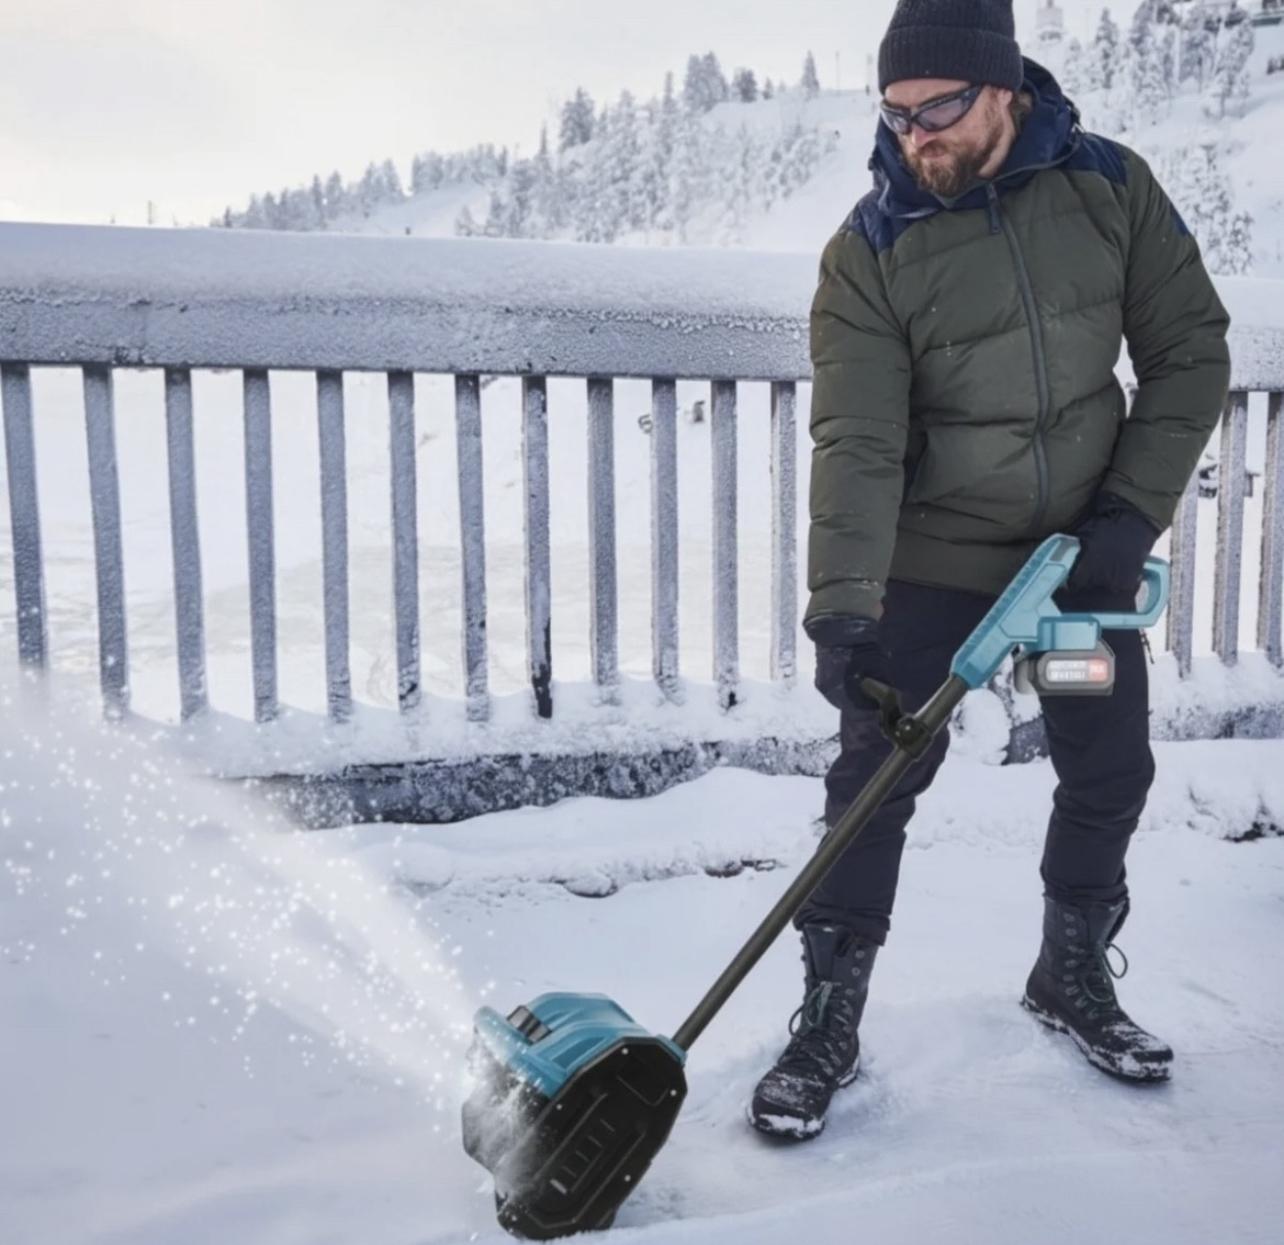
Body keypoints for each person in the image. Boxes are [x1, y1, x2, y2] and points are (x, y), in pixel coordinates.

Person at [749, 0, 1231, 1140]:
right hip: (933, 563)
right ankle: (828, 1015)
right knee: (876, 782)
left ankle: (1070, 972)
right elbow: (858, 440)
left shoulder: (1111, 187)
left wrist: (1127, 520)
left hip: (1074, 570)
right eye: (895, 114)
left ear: (1005, 89)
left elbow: (1188, 349)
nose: (914, 135)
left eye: (939, 109)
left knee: (1107, 765)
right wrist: (845, 613)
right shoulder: (871, 248)